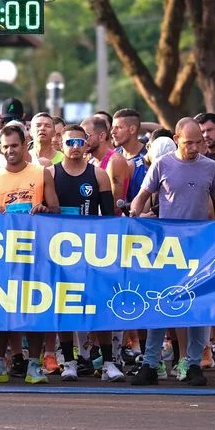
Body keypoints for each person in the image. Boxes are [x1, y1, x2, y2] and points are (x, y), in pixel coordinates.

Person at [129, 118, 215, 386]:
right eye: (189, 143)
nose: (195, 147)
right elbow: (141, 195)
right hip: (166, 247)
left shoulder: (210, 167)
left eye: (199, 142)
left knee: (197, 304)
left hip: (199, 246)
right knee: (160, 302)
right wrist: (134, 214)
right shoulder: (162, 164)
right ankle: (151, 363)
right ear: (176, 139)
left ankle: (193, 363)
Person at [45, 126, 121, 380]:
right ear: (61, 145)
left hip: (92, 252)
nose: (75, 146)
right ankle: (68, 362)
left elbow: (109, 218)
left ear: (87, 144)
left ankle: (108, 362)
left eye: (80, 141)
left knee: (99, 305)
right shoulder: (50, 174)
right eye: (70, 142)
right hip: (60, 252)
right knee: (64, 307)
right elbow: (44, 211)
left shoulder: (98, 175)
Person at [0, 122, 50, 384]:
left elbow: (55, 209)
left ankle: (34, 364)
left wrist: (44, 210)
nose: (10, 151)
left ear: (25, 145)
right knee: (0, 307)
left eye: (15, 146)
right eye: (6, 146)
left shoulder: (42, 173)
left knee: (34, 308)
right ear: (0, 147)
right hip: (2, 255)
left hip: (35, 253)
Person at [105, 108, 151, 213]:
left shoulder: (148, 157)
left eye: (118, 128)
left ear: (132, 129)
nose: (112, 132)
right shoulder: (112, 156)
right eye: (113, 128)